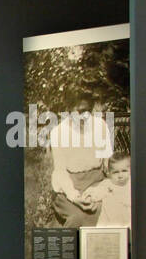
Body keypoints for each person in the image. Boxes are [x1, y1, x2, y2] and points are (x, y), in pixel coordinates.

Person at [47, 97, 112, 227]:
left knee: (106, 211)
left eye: (88, 110)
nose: (85, 115)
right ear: (69, 110)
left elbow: (109, 165)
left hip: (96, 183)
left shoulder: (100, 126)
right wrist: (75, 197)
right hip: (69, 187)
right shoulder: (59, 132)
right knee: (79, 217)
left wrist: (98, 193)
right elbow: (60, 171)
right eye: (80, 111)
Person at [86, 149, 131, 228]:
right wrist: (89, 195)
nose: (120, 175)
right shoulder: (108, 184)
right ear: (109, 173)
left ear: (130, 171)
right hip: (109, 220)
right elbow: (95, 191)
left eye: (124, 171)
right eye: (116, 172)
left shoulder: (131, 184)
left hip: (127, 220)